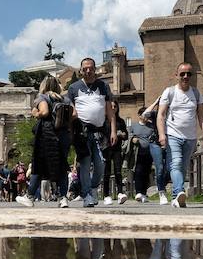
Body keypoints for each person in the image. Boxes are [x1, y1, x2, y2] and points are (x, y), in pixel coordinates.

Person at [156, 63, 203, 209]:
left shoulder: (196, 93)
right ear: (177, 75)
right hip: (172, 134)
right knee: (176, 163)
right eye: (182, 74)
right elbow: (161, 115)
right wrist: (162, 134)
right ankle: (180, 191)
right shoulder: (169, 92)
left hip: (190, 137)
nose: (186, 76)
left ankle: (176, 198)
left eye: (189, 74)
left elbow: (201, 115)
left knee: (182, 167)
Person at [65, 57, 114, 208]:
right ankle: (86, 194)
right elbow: (70, 112)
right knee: (85, 164)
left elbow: (110, 111)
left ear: (95, 69)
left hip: (100, 132)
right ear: (80, 71)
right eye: (85, 68)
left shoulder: (103, 86)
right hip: (82, 132)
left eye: (91, 68)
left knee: (101, 164)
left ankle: (92, 188)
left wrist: (113, 130)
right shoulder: (73, 88)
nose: (88, 71)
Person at [18, 76, 72, 208]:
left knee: (38, 165)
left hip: (46, 136)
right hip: (63, 135)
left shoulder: (42, 98)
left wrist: (35, 113)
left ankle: (30, 197)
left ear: (43, 86)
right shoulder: (65, 99)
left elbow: (45, 111)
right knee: (62, 166)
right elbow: (74, 114)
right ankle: (63, 197)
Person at [127, 105, 168, 204]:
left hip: (150, 152)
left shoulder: (151, 126)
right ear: (139, 115)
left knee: (146, 173)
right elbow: (129, 136)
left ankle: (144, 193)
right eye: (143, 115)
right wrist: (133, 139)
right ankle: (138, 192)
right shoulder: (134, 126)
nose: (146, 117)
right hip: (138, 152)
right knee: (138, 171)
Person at [101, 100, 129, 205]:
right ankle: (106, 195)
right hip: (106, 147)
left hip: (117, 148)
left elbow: (126, 135)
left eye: (115, 106)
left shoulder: (120, 121)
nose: (113, 108)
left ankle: (120, 193)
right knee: (106, 173)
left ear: (117, 108)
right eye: (111, 106)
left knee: (118, 171)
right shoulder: (103, 120)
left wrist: (122, 134)